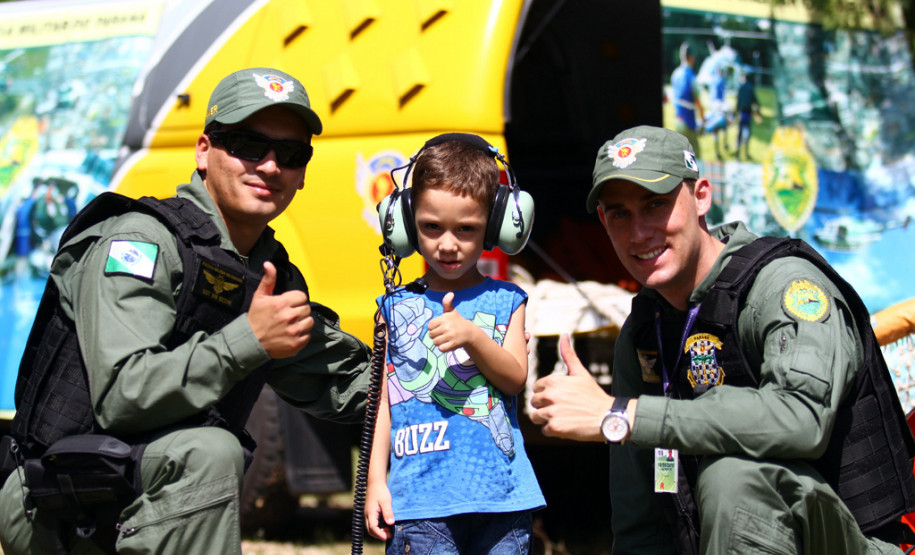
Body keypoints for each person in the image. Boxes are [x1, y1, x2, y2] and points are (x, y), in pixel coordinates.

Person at [0, 67, 372, 555]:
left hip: (135, 483)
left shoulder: (266, 275)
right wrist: (249, 341)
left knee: (206, 452)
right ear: (203, 150)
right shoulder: (138, 242)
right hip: (59, 498)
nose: (269, 166)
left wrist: (459, 377)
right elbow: (121, 393)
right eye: (246, 145)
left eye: (291, 154)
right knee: (211, 452)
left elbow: (348, 383)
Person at [529, 125, 915, 554]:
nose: (639, 233)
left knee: (735, 475)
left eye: (655, 204)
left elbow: (801, 418)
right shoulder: (643, 332)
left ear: (702, 197)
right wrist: (626, 417)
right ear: (603, 221)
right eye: (619, 213)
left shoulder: (783, 288)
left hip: (855, 544)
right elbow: (642, 524)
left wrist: (625, 415)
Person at [364, 134, 545, 554]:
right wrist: (375, 481)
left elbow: (515, 378)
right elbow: (381, 404)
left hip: (502, 500)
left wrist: (473, 336)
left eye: (466, 229)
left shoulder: (507, 300)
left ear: (495, 226)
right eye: (430, 227)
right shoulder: (394, 308)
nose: (448, 244)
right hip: (419, 504)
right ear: (407, 224)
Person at [670, 43, 704, 157]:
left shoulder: (675, 74)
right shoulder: (691, 76)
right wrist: (703, 120)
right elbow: (698, 102)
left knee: (681, 154)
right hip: (688, 121)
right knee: (696, 154)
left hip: (678, 119)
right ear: (691, 57)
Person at [735, 70, 761, 161]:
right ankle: (745, 152)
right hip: (748, 114)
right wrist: (758, 114)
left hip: (742, 114)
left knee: (740, 134)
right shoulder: (751, 88)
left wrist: (736, 112)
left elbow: (738, 101)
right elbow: (755, 102)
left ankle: (737, 153)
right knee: (747, 134)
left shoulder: (741, 87)